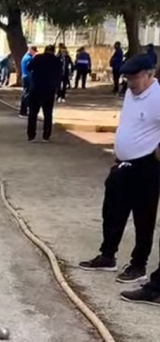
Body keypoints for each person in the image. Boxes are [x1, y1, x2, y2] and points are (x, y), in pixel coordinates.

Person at [76, 55, 160, 297]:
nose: (130, 82)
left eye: (134, 77)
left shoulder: (157, 96)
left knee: (143, 216)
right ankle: (107, 254)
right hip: (123, 163)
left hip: (146, 165)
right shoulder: (132, 94)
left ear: (149, 74)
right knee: (113, 209)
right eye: (127, 77)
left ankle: (138, 264)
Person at [26, 45, 60, 142]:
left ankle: (31, 135)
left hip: (36, 88)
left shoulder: (38, 57)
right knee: (48, 114)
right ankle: (46, 135)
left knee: (33, 113)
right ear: (54, 51)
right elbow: (59, 75)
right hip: (49, 90)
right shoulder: (57, 60)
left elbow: (29, 67)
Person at [19, 45, 37, 117]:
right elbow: (31, 68)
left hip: (25, 76)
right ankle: (23, 111)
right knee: (27, 94)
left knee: (26, 93)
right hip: (28, 77)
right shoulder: (29, 58)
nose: (34, 53)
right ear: (31, 50)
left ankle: (24, 110)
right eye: (34, 51)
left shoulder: (25, 57)